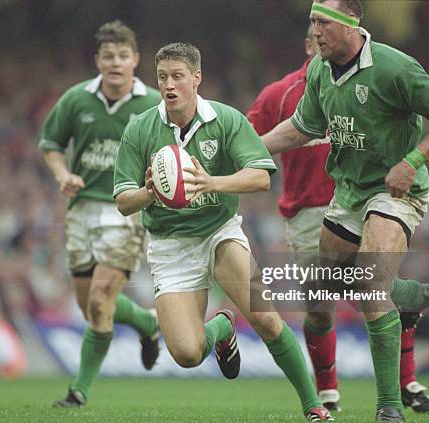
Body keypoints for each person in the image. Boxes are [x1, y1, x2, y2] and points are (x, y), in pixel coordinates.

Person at [261, 1, 429, 421]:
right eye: (312, 22)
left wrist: (411, 162)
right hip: (349, 193)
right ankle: (408, 295)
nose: (315, 31)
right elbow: (302, 127)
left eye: (323, 22)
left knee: (371, 286)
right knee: (326, 287)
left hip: (396, 192)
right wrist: (246, 153)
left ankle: (389, 406)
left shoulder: (395, 67)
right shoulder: (320, 71)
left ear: (352, 21)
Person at [114, 42, 334, 422]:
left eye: (178, 76)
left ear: (197, 79)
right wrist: (150, 192)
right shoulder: (140, 129)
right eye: (163, 77)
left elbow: (262, 176)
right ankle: (222, 328)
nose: (169, 84)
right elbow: (122, 201)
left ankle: (313, 406)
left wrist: (211, 183)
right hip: (170, 246)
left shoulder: (227, 120)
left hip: (219, 232)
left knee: (265, 318)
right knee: (186, 354)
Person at [38, 20, 161, 408]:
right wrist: (62, 174)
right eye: (108, 56)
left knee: (99, 302)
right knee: (91, 305)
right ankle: (146, 322)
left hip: (126, 210)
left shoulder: (153, 105)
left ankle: (78, 392)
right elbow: (51, 143)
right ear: (98, 60)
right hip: (81, 211)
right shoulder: (76, 99)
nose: (115, 62)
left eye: (123, 55)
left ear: (135, 60)